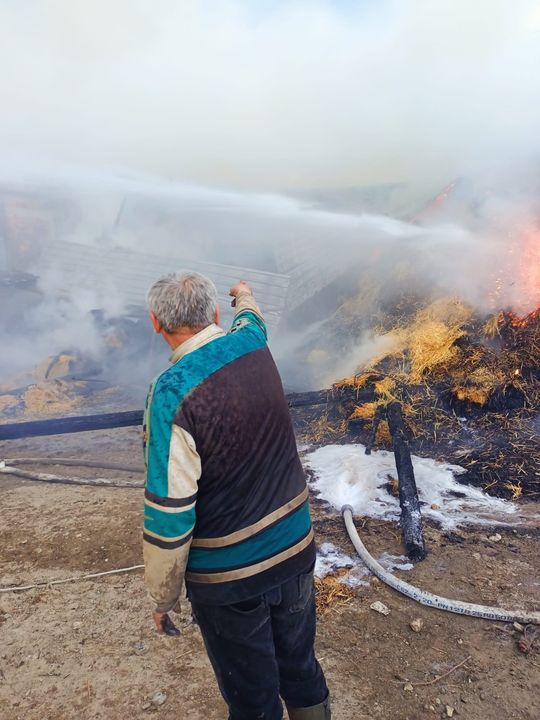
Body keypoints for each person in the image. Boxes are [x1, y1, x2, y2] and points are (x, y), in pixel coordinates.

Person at [142, 271, 330, 720]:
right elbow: (252, 319)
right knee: (300, 667)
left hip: (230, 582)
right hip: (294, 551)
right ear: (212, 314)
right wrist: (244, 295)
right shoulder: (252, 343)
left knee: (253, 699)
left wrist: (162, 599)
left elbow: (170, 516)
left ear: (155, 323)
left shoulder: (170, 394)